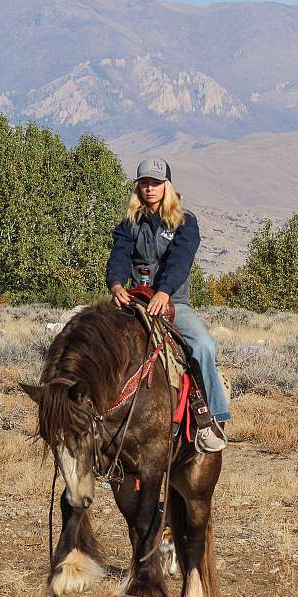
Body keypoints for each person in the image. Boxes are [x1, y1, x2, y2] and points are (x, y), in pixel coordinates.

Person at [106, 157, 230, 453]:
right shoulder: (128, 224)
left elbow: (180, 261)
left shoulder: (185, 222)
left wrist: (164, 292)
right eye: (144, 183)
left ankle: (210, 419)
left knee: (203, 346)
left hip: (172, 302)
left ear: (167, 186)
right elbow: (119, 256)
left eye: (156, 183)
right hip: (133, 300)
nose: (149, 188)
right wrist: (116, 285)